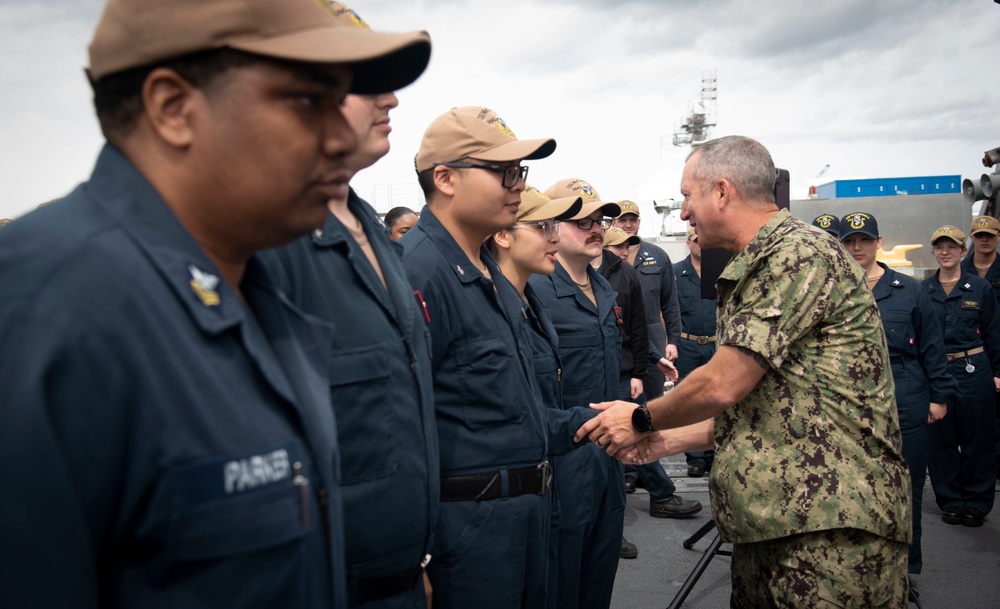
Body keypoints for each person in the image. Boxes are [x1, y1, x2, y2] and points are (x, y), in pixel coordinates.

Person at [0, 1, 430, 607]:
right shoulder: (41, 311)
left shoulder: (253, 287)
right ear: (175, 109)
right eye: (308, 101)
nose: (339, 137)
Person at [578, 135, 912, 607]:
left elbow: (724, 383)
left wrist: (639, 419)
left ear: (721, 191)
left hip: (830, 527)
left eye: (687, 196)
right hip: (783, 521)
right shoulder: (758, 263)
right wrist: (667, 441)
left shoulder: (797, 255)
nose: (683, 214)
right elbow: (766, 405)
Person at [257, 4, 435, 607]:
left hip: (400, 574)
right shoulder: (263, 237)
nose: (391, 100)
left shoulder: (371, 229)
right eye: (364, 80)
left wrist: (414, 562)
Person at [400, 106, 556, 609]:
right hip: (469, 531)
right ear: (444, 178)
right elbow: (402, 425)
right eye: (504, 172)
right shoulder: (421, 271)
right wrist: (414, 554)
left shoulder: (488, 268)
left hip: (519, 518)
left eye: (521, 172)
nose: (518, 185)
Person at [487, 184, 612, 607]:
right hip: (549, 467)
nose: (554, 237)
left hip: (588, 452)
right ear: (503, 235)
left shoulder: (527, 301)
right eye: (545, 226)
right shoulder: (501, 303)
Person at [839, 211, 957, 577]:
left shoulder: (909, 289)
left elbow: (932, 347)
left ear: (878, 243)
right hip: (849, 395)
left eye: (865, 240)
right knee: (853, 486)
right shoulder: (834, 288)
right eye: (850, 241)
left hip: (904, 388)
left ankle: (905, 571)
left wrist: (939, 398)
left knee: (905, 485)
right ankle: (860, 570)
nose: (857, 247)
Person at [528, 179, 625, 607]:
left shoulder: (605, 287)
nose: (595, 228)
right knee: (563, 573)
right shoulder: (536, 291)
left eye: (599, 220)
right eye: (580, 220)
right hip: (566, 453)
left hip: (613, 450)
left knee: (601, 568)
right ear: (551, 226)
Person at [612, 200, 696, 516]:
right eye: (622, 220)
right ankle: (644, 483)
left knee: (646, 412)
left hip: (646, 341)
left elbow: (669, 304)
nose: (628, 225)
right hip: (623, 348)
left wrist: (668, 343)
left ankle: (647, 482)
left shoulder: (655, 256)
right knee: (637, 415)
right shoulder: (602, 265)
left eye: (633, 219)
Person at [922, 224, 1000, 528]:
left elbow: (993, 333)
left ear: (962, 251)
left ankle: (977, 502)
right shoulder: (924, 290)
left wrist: (997, 372)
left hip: (973, 370)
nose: (945, 252)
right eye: (940, 247)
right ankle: (951, 500)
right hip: (939, 371)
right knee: (941, 439)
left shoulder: (980, 289)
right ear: (934, 252)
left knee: (978, 438)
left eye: (951, 247)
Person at [674, 226, 717, 478]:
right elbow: (667, 310)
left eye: (704, 239)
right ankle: (695, 458)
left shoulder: (720, 271)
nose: (700, 244)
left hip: (715, 344)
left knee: (714, 401)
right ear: (688, 243)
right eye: (695, 240)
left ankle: (712, 453)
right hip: (687, 346)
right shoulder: (675, 273)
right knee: (690, 402)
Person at [961, 215, 1000, 481]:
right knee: (978, 424)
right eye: (979, 236)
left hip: (997, 348)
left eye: (989, 235)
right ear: (972, 239)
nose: (984, 240)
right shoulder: (960, 271)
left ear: (998, 237)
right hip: (974, 355)